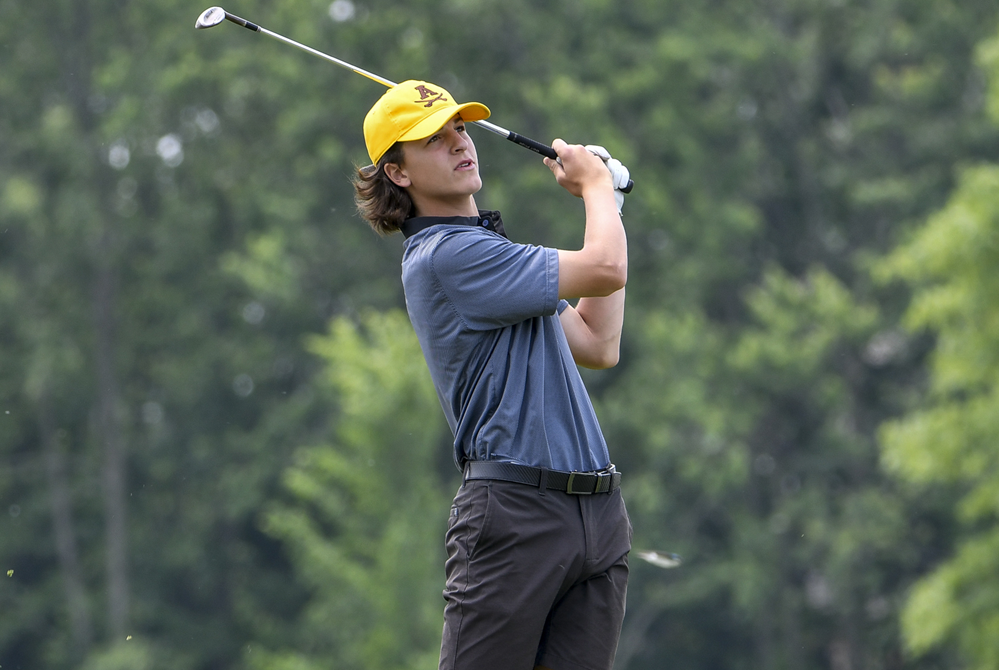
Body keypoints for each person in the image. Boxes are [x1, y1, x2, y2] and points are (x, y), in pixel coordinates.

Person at [353, 79, 632, 670]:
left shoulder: (492, 254)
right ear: (398, 174)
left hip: (597, 518)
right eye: (434, 138)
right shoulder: (450, 257)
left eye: (460, 127)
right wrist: (597, 189)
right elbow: (605, 267)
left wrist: (611, 206)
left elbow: (598, 341)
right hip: (514, 517)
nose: (460, 142)